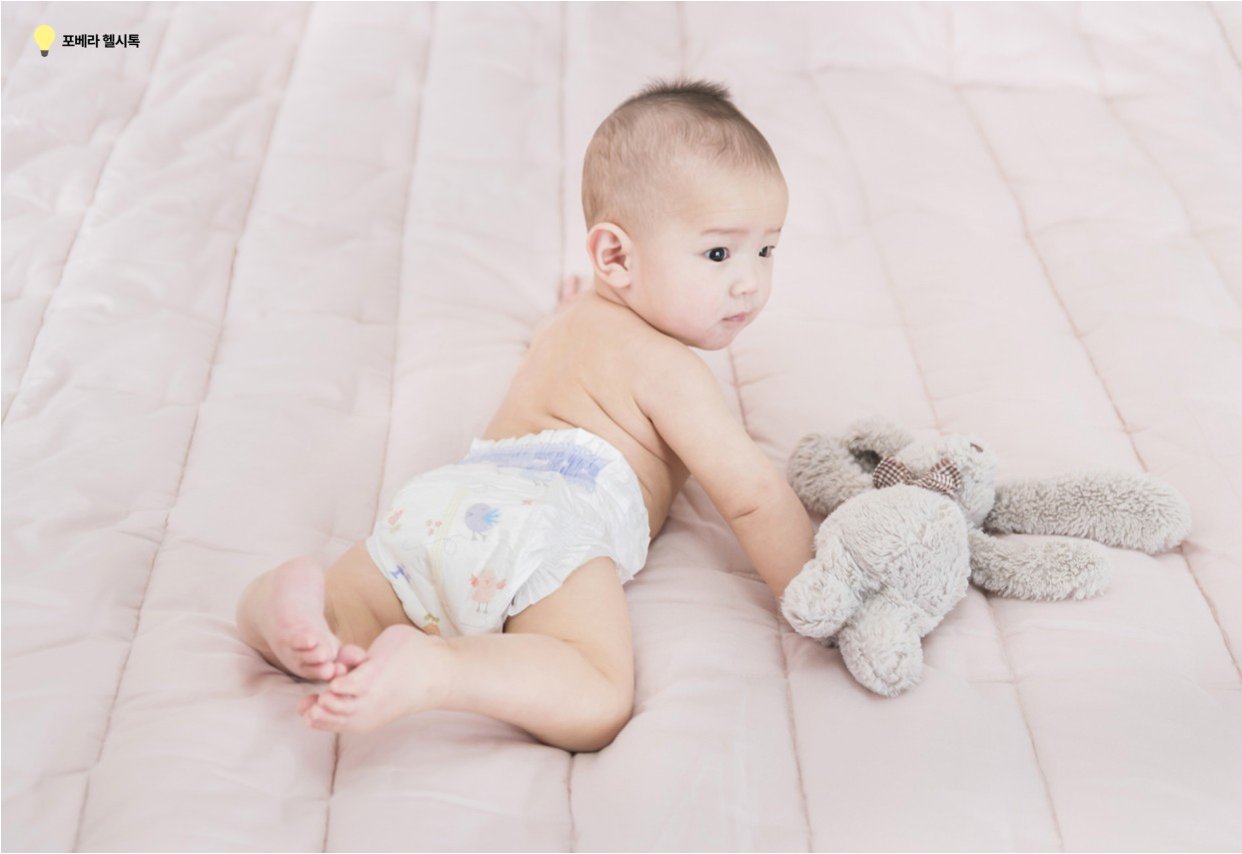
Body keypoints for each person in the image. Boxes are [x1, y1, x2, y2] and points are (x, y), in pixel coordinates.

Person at [235, 78, 816, 753]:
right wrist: (819, 592)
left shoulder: (564, 327)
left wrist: (573, 301)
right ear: (615, 257)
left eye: (767, 250)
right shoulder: (671, 371)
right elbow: (752, 497)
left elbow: (568, 319)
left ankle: (285, 605)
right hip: (548, 523)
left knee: (349, 618)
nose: (750, 282)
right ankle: (442, 670)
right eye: (719, 253)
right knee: (595, 693)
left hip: (445, 500)